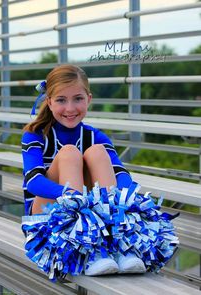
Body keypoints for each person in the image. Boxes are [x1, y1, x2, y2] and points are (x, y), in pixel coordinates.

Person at [21, 64, 178, 280]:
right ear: (49, 101)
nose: (70, 108)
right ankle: (86, 250)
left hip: (98, 219)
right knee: (69, 153)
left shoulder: (97, 137)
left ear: (89, 99)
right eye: (61, 100)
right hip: (48, 223)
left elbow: (122, 175)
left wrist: (126, 201)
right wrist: (72, 197)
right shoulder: (34, 135)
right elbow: (33, 182)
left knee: (96, 152)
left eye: (77, 98)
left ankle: (118, 244)